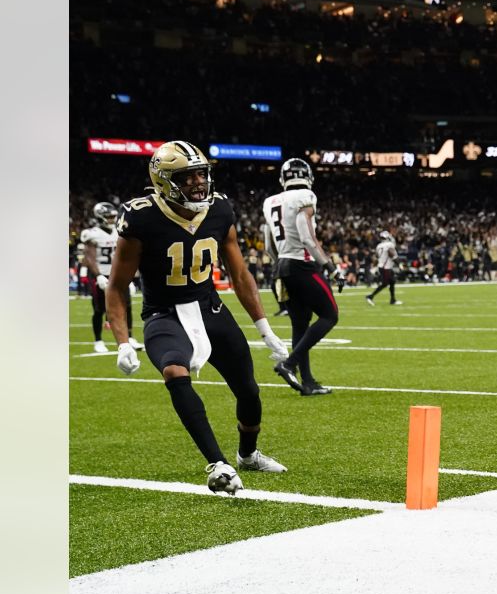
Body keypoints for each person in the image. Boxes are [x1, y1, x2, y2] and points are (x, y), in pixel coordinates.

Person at [107, 141, 293, 494]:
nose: (198, 182)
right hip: (164, 314)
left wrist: (264, 328)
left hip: (211, 309)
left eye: (201, 174)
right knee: (174, 371)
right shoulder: (141, 216)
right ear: (163, 180)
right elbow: (116, 286)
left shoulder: (220, 209)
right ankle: (218, 464)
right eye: (187, 176)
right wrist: (122, 342)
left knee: (249, 391)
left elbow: (239, 274)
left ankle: (248, 455)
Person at [261, 158, 335, 396]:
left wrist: (278, 265)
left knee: (300, 324)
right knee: (329, 315)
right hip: (301, 264)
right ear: (308, 177)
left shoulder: (270, 202)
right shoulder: (306, 196)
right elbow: (307, 238)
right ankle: (289, 363)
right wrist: (330, 265)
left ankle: (308, 382)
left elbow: (268, 243)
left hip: (282, 265)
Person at [81, 202, 142, 353]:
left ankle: (130, 337)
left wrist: (131, 277)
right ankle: (98, 341)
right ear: (100, 217)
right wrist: (98, 276)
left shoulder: (118, 231)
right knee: (99, 309)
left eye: (113, 217)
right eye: (108, 217)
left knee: (126, 305)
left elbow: (126, 255)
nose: (111, 219)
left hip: (117, 273)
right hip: (99, 274)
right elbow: (89, 257)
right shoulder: (93, 233)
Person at [366, 231, 402, 305]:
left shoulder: (379, 246)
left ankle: (393, 300)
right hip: (386, 268)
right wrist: (399, 264)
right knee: (385, 284)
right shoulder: (389, 245)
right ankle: (370, 296)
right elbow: (391, 254)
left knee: (392, 281)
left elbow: (377, 257)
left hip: (382, 267)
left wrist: (374, 266)